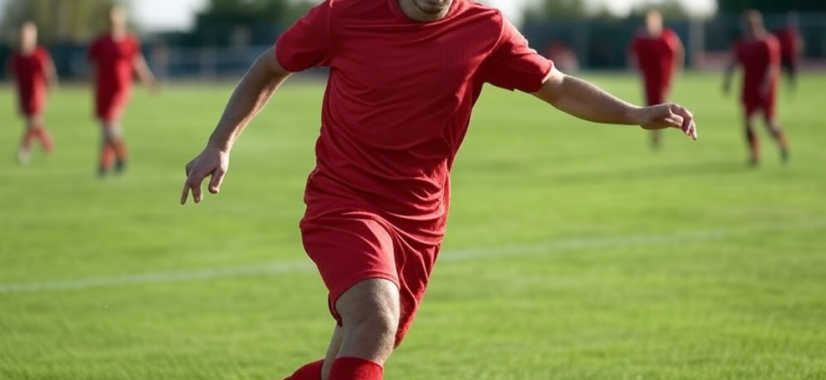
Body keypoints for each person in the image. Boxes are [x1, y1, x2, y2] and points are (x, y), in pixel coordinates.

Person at [180, 1, 697, 380]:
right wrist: (220, 143)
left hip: (421, 221)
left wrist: (634, 113)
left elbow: (557, 86)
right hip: (344, 202)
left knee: (352, 354)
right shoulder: (343, 15)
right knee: (375, 319)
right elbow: (270, 66)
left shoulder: (485, 28)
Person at [87, 5, 158, 176]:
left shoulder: (129, 41)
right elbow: (92, 66)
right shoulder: (100, 42)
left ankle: (122, 155)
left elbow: (137, 62)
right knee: (106, 126)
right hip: (103, 89)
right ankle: (104, 164)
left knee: (110, 123)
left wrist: (147, 79)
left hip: (120, 89)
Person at [723, 10, 789, 166]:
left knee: (769, 123)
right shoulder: (743, 44)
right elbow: (734, 63)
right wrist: (727, 80)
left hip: (765, 89)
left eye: (752, 24)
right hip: (749, 87)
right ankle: (755, 155)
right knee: (748, 122)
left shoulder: (768, 42)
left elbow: (772, 67)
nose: (749, 27)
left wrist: (766, 85)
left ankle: (783, 144)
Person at [628, 10, 684, 150]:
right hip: (648, 78)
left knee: (662, 105)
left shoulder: (667, 37)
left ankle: (658, 134)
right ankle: (653, 133)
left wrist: (676, 71)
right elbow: (632, 55)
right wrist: (636, 69)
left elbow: (678, 52)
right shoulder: (642, 40)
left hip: (663, 78)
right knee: (649, 106)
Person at [9, 21, 57, 164]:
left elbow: (48, 70)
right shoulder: (17, 57)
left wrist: (51, 83)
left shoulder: (39, 54)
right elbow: (14, 75)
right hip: (24, 93)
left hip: (37, 93)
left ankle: (26, 150)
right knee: (34, 124)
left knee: (34, 121)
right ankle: (47, 146)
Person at [773, 13, 804, 95]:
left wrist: (798, 52)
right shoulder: (781, 32)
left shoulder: (793, 33)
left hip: (790, 57)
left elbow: (798, 44)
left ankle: (791, 89)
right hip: (783, 56)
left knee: (791, 75)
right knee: (779, 74)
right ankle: (777, 87)